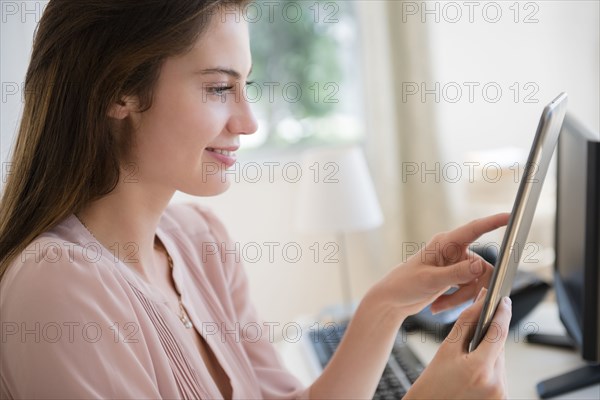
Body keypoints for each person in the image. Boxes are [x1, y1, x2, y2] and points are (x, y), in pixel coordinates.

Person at [0, 0, 512, 399]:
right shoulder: (57, 288)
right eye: (220, 88)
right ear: (118, 91)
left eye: (245, 86)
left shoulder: (201, 240)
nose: (248, 123)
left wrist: (386, 305)